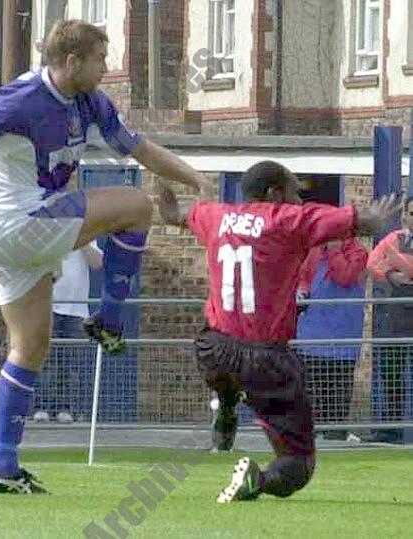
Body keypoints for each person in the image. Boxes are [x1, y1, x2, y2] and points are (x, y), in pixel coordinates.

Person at [0, 20, 208, 494]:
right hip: (20, 221)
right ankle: (109, 319)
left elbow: (139, 148)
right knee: (137, 205)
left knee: (30, 346)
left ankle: (3, 465)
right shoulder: (19, 98)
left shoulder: (90, 103)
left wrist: (196, 180)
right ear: (72, 61)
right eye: (101, 58)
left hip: (13, 241)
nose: (108, 67)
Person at [156, 161, 402, 503]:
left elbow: (176, 215)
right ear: (274, 193)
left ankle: (226, 405)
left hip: (213, 349)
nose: (298, 200)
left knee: (222, 355)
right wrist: (375, 218)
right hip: (264, 357)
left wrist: (163, 197)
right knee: (298, 465)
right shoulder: (285, 220)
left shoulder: (216, 216)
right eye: (293, 191)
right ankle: (257, 479)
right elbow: (357, 220)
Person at [296, 238, 368, 440]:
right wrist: (301, 292)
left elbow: (345, 276)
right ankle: (312, 436)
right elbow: (303, 277)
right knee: (313, 393)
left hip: (343, 339)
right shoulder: (314, 250)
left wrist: (334, 250)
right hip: (312, 337)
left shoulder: (358, 252)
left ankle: (336, 436)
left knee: (338, 393)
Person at [33, 242, 102, 424]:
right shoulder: (50, 228)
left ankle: (67, 408)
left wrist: (83, 241)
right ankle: (42, 407)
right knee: (46, 360)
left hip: (76, 309)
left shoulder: (87, 229)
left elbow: (98, 262)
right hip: (48, 305)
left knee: (71, 362)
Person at [366, 195, 413, 443]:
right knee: (392, 376)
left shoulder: (393, 246)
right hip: (396, 320)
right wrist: (392, 272)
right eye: (412, 214)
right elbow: (372, 262)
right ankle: (391, 431)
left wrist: (396, 262)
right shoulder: (394, 239)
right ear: (404, 215)